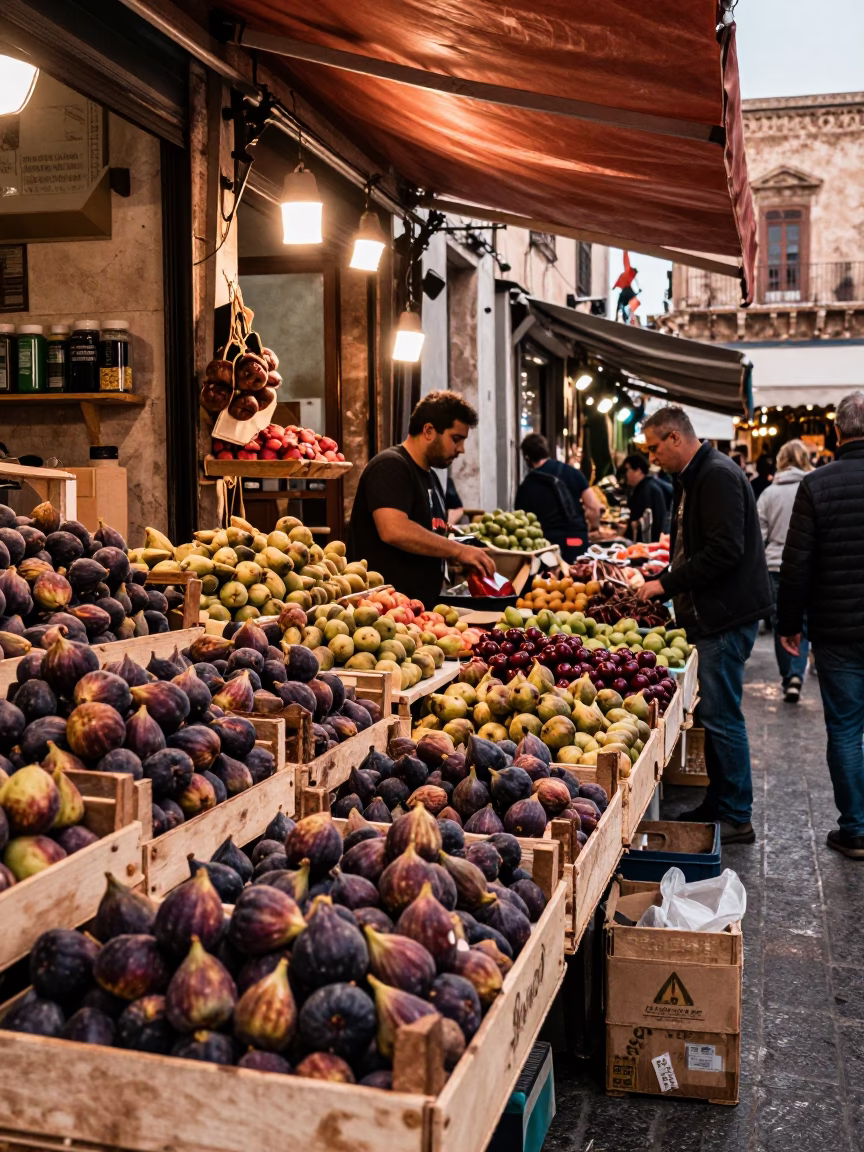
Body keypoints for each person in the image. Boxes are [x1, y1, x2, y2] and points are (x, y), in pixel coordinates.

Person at [637, 406, 773, 845]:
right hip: (714, 614)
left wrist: (666, 583)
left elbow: (724, 551)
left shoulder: (715, 475)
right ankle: (721, 801)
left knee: (723, 715)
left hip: (726, 616)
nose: (652, 456)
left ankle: (737, 813)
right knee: (715, 714)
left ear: (675, 438)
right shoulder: (696, 477)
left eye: (655, 447)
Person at [777, 391, 864, 858]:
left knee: (847, 729)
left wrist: (791, 624)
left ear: (836, 432)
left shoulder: (818, 484)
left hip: (837, 629)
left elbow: (797, 563)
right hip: (838, 628)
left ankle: (855, 829)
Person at [348, 391, 495, 609]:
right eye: (456, 439)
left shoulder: (432, 478)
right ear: (428, 430)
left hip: (421, 612)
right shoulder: (390, 466)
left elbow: (430, 532)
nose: (461, 450)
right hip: (385, 615)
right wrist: (457, 550)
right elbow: (394, 529)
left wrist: (463, 553)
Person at [757, 440, 812, 702]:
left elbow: (760, 536)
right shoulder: (813, 486)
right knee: (802, 620)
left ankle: (787, 674)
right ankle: (797, 674)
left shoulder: (769, 494)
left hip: (775, 566)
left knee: (782, 622)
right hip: (808, 565)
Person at [515, 433, 603, 561]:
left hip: (545, 547)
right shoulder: (572, 472)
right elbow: (594, 507)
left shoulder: (527, 486)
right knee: (578, 575)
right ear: (546, 450)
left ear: (527, 458)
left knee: (549, 580)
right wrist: (594, 528)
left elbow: (522, 522)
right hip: (575, 539)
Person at [622, 454, 668, 542]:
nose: (626, 474)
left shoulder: (646, 489)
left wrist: (631, 526)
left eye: (627, 469)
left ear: (638, 470)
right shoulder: (643, 486)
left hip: (649, 545)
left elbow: (647, 519)